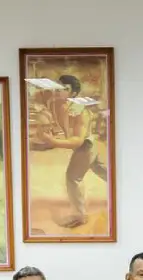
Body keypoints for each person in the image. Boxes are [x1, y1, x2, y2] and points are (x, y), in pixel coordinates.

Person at [44, 74, 108, 229]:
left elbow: (78, 140)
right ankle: (125, 188)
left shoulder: (79, 111)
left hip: (85, 146)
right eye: (58, 87)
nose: (59, 91)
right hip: (87, 146)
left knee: (73, 178)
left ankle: (80, 216)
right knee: (103, 171)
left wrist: (54, 142)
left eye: (65, 89)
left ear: (73, 93)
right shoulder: (60, 106)